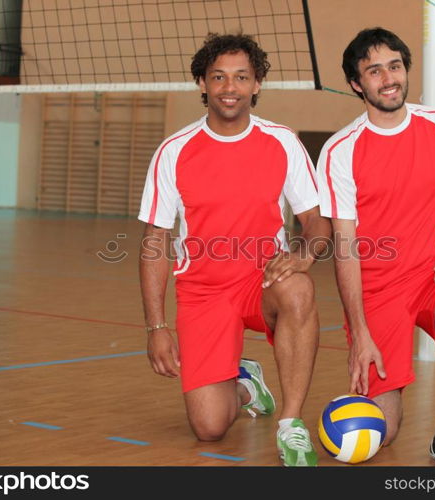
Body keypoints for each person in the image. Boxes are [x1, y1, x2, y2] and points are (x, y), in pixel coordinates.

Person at [138, 33, 330, 467]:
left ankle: (291, 423)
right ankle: (248, 385)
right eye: (219, 77)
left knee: (298, 288)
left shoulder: (281, 141)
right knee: (209, 428)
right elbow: (155, 241)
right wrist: (156, 327)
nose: (230, 87)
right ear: (202, 84)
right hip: (203, 292)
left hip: (261, 282)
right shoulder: (174, 151)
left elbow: (316, 221)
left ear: (257, 84)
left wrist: (303, 253)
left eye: (241, 77)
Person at [317, 27, 435, 466]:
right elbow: (344, 249)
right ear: (356, 84)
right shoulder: (340, 150)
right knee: (383, 431)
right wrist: (360, 333)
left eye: (395, 66)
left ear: (405, 69)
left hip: (431, 276)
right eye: (374, 71)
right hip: (377, 291)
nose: (389, 78)